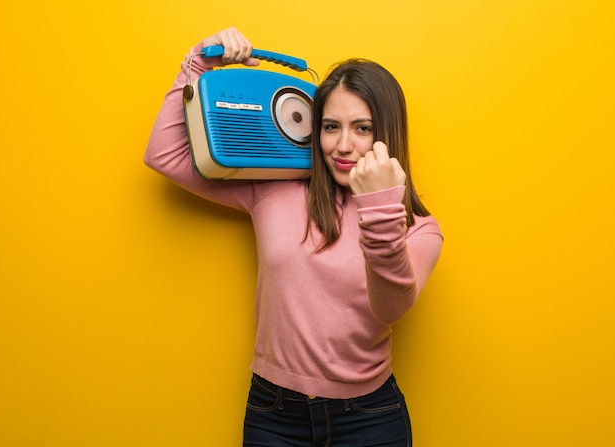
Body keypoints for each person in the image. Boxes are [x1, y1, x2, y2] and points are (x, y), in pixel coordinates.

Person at [145, 27, 443, 447]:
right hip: (274, 413)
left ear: (388, 134)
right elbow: (165, 154)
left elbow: (391, 308)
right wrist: (197, 64)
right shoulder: (275, 188)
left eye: (362, 128)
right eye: (330, 126)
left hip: (369, 418)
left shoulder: (419, 227)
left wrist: (379, 208)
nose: (343, 145)